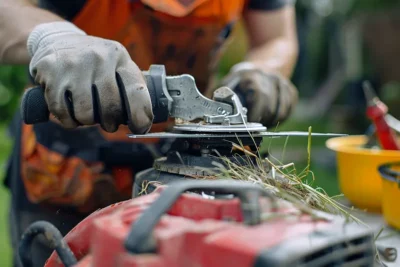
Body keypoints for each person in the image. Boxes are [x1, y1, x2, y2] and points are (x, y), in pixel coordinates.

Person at [0, 0, 299, 266]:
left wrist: (261, 70)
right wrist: (54, 37)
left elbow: (276, 38)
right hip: (66, 174)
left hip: (187, 171)